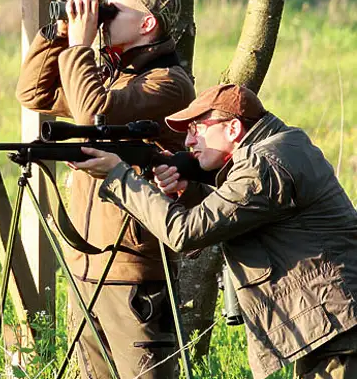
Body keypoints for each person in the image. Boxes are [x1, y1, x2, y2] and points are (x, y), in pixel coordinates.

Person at [72, 83, 357, 379]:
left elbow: (185, 233)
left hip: (339, 327)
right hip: (335, 320)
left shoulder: (262, 165)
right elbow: (245, 215)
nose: (188, 141)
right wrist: (189, 191)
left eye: (197, 128)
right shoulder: (283, 145)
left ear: (233, 129)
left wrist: (120, 177)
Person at [16, 0, 196, 378]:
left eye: (112, 8)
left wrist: (80, 45)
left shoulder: (169, 84)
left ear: (148, 24)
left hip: (133, 271)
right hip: (87, 263)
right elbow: (33, 94)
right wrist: (58, 34)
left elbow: (92, 115)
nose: (101, 14)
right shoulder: (113, 75)